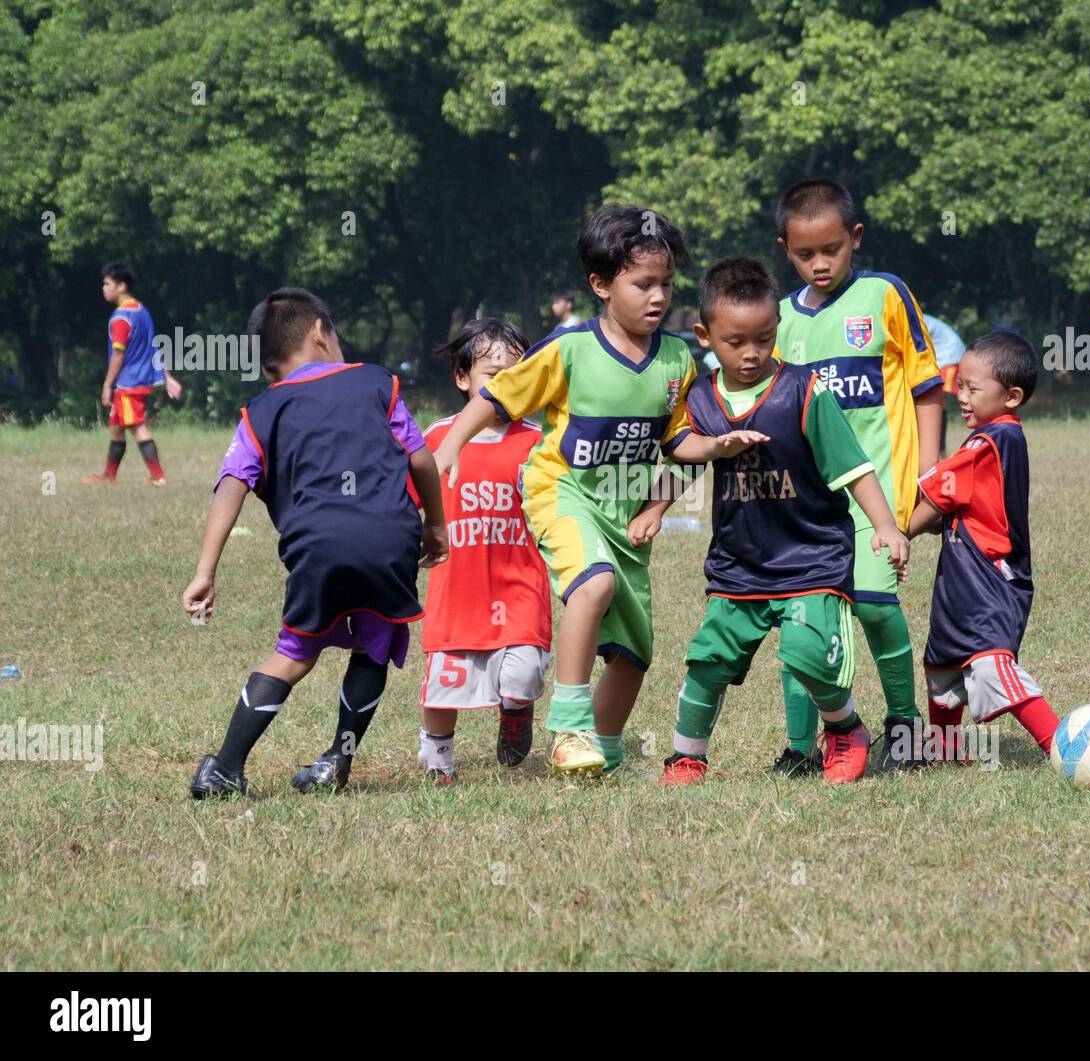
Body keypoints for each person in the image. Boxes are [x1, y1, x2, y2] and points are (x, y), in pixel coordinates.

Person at [432, 205, 763, 778]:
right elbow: (497, 397)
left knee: (634, 655)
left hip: (625, 507)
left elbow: (679, 439)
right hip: (562, 492)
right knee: (595, 583)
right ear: (602, 285)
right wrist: (450, 445)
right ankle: (569, 726)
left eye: (665, 284)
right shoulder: (569, 350)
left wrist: (708, 454)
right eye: (643, 284)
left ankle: (602, 757)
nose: (658, 297)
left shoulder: (678, 359)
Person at [629, 257, 910, 784]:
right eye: (736, 341)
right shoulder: (701, 399)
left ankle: (845, 727)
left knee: (808, 656)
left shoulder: (805, 390)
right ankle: (687, 757)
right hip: (739, 566)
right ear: (704, 335)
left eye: (764, 337)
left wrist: (888, 527)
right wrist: (655, 508)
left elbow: (853, 468)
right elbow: (684, 459)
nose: (752, 352)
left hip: (812, 560)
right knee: (707, 664)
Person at [183, 288, 447, 798]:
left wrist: (205, 571)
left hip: (316, 545)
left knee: (295, 654)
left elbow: (231, 485)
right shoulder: (377, 382)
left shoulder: (261, 410)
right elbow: (421, 459)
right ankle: (336, 764)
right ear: (320, 332)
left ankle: (225, 768)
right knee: (373, 648)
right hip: (390, 537)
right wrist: (436, 525)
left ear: (270, 369)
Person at [773, 179, 943, 774]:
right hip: (808, 510)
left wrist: (929, 477)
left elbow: (926, 389)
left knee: (872, 603)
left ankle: (904, 728)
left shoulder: (885, 295)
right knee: (803, 625)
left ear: (856, 239)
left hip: (880, 500)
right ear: (785, 250)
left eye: (833, 249)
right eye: (804, 254)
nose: (820, 264)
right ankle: (799, 749)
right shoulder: (782, 324)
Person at [907, 332, 1058, 760]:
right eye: (960, 385)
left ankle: (1062, 744)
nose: (962, 396)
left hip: (989, 578)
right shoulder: (996, 436)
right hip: (961, 573)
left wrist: (900, 531)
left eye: (974, 389)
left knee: (991, 665)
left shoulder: (988, 440)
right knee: (941, 668)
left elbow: (938, 494)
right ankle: (947, 751)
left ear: (1011, 397)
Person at [413, 320, 552, 783]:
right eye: (494, 375)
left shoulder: (538, 442)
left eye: (517, 374)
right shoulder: (436, 438)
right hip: (457, 592)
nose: (506, 385)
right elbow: (406, 502)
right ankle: (438, 763)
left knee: (526, 674)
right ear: (462, 377)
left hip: (520, 587)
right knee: (443, 687)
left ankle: (516, 712)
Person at [81, 262, 182, 485]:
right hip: (139, 381)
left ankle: (158, 477)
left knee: (137, 426)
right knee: (117, 427)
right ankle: (109, 476)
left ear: (122, 286)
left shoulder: (121, 318)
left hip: (128, 384)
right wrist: (167, 377)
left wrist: (107, 385)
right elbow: (154, 346)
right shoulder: (142, 311)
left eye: (107, 283)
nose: (103, 288)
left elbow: (118, 355)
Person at [922, 313, 965, 456]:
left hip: (948, 356)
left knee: (938, 403)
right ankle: (940, 449)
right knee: (939, 404)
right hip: (946, 356)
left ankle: (939, 449)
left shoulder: (914, 318)